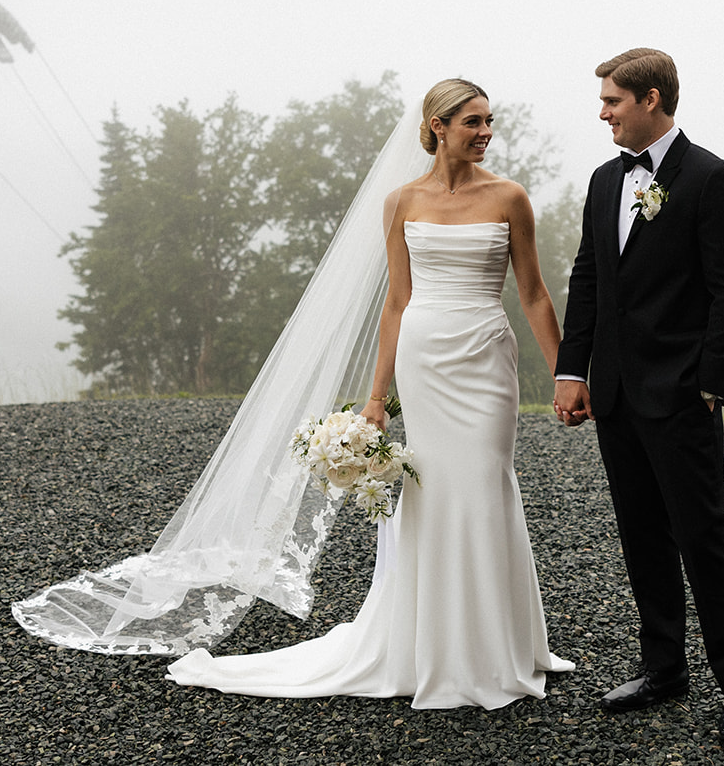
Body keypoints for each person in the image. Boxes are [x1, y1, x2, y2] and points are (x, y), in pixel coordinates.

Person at [165, 79, 574, 709]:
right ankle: (429, 644)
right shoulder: (402, 202)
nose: (486, 132)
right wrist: (376, 398)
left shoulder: (510, 197)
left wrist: (566, 374)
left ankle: (499, 645)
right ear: (438, 126)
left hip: (486, 359)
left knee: (486, 481)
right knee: (433, 489)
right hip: (425, 358)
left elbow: (534, 293)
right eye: (473, 122)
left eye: (490, 121)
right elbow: (396, 302)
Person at [552, 48, 724, 743]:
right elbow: (590, 278)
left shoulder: (710, 178)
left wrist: (708, 384)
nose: (604, 112)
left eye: (612, 100)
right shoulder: (602, 182)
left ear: (650, 98)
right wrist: (571, 368)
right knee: (641, 536)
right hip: (612, 392)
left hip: (680, 395)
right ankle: (663, 668)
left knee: (704, 539)